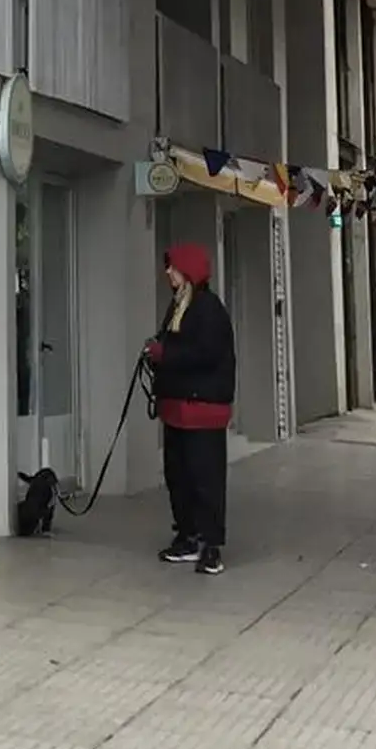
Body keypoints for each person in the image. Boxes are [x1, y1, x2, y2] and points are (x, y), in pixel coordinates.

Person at [144, 241, 237, 576]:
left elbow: (206, 355)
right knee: (178, 476)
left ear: (189, 271)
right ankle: (187, 536)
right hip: (176, 408)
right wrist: (156, 354)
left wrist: (164, 354)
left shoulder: (208, 308)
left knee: (205, 479)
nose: (168, 272)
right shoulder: (177, 306)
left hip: (203, 410)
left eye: (173, 267)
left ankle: (211, 546)